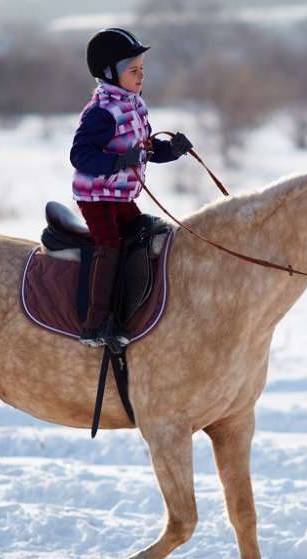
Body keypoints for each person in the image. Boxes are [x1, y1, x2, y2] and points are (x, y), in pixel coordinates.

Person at [71, 27, 192, 349]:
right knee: (110, 245)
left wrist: (172, 150)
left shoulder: (135, 105)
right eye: (133, 71)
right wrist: (120, 160)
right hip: (96, 196)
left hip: (120, 195)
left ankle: (134, 306)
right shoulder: (101, 112)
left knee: (143, 234)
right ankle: (96, 323)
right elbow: (79, 155)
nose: (141, 76)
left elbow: (146, 149)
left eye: (142, 70)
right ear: (110, 74)